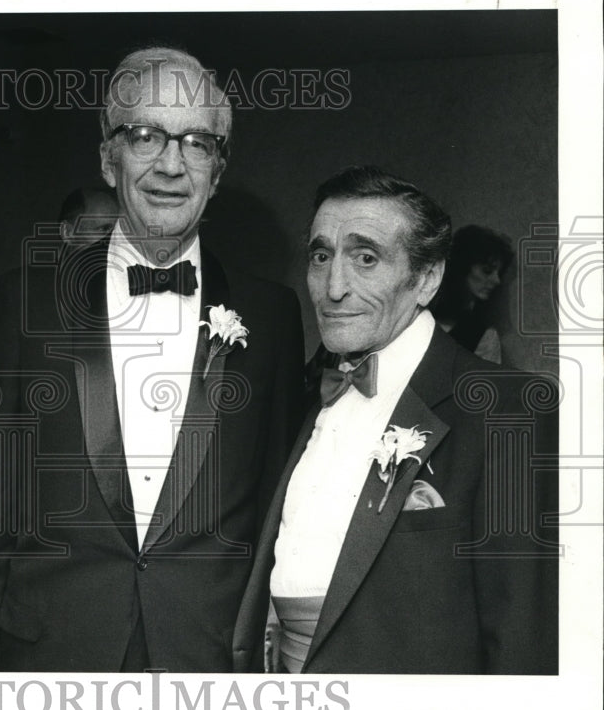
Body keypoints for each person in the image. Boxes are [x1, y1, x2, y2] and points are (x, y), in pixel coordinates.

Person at [0, 47, 305, 672]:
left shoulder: (274, 315)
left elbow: (274, 507)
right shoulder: (26, 299)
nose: (172, 164)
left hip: (207, 660)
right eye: (146, 135)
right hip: (50, 659)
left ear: (219, 169)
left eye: (197, 142)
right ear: (107, 157)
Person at [232, 166, 558, 674]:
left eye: (366, 258)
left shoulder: (505, 409)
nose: (333, 287)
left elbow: (522, 637)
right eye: (321, 256)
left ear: (426, 279)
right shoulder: (303, 392)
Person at [429, 224, 514, 363]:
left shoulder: (484, 337)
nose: (497, 280)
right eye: (487, 270)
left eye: (499, 273)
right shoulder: (418, 314)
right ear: (462, 267)